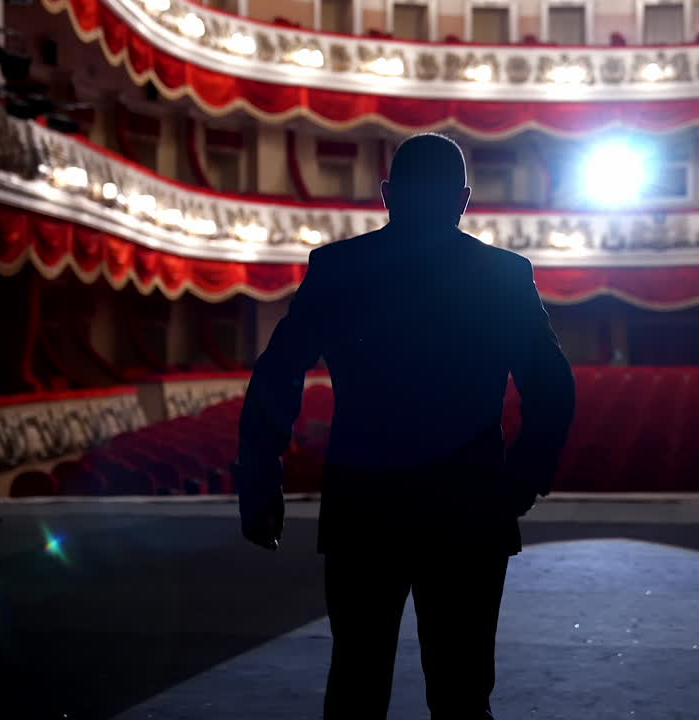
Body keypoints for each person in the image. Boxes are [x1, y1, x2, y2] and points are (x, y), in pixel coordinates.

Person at [234, 133, 576, 719]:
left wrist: (262, 483)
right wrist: (518, 484)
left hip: (365, 502)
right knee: (463, 691)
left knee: (357, 685)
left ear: (387, 194)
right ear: (464, 199)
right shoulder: (503, 273)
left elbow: (277, 374)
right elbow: (553, 387)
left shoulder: (338, 267)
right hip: (468, 504)